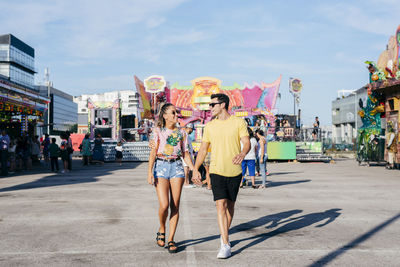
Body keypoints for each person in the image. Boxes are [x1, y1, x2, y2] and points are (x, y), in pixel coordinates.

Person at [192, 93, 250, 259]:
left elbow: (246, 142)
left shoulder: (238, 122)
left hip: (235, 171)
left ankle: (223, 233)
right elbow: (203, 149)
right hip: (216, 171)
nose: (210, 108)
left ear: (222, 105)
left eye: (212, 105)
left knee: (230, 207)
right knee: (220, 205)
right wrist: (196, 169)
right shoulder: (210, 126)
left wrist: (243, 153)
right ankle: (225, 244)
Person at [147, 103, 194, 254]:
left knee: (175, 205)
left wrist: (194, 170)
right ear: (165, 115)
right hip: (160, 167)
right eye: (172, 113)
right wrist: (149, 172)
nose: (176, 115)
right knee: (164, 205)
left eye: (176, 113)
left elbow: (185, 153)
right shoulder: (158, 131)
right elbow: (153, 152)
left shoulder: (182, 133)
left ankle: (171, 239)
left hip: (177, 167)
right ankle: (162, 227)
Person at [183, 123, 195, 188]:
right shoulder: (185, 135)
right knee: (186, 169)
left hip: (188, 154)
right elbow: (186, 146)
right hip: (186, 154)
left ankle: (187, 182)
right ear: (189, 128)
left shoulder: (187, 135)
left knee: (187, 169)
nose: (192, 131)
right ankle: (185, 183)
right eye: (192, 129)